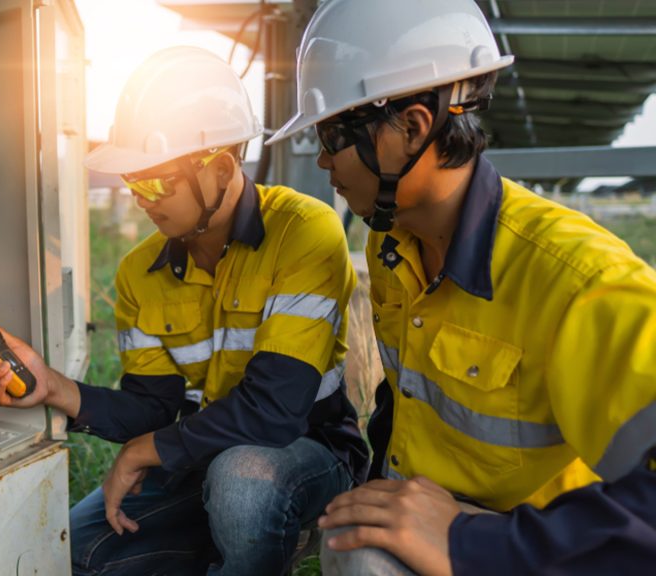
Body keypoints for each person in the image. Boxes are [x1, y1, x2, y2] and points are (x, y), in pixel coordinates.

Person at [267, 0, 656, 574]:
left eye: (330, 133)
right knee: (356, 536)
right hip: (440, 508)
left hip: (544, 546)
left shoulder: (580, 281)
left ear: (413, 127)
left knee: (367, 558)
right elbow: (403, 402)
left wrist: (468, 544)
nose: (322, 159)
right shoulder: (392, 242)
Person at [0, 46, 368, 575]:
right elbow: (153, 408)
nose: (142, 199)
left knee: (242, 486)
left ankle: (254, 544)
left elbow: (275, 410)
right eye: (133, 182)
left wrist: (140, 452)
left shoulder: (304, 232)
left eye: (156, 181)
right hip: (202, 453)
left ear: (221, 169)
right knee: (76, 553)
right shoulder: (139, 272)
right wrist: (54, 386)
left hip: (308, 449)